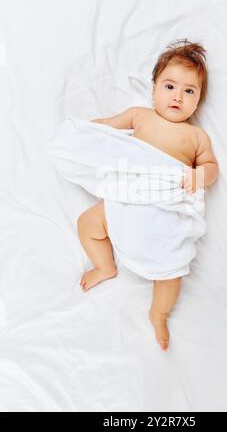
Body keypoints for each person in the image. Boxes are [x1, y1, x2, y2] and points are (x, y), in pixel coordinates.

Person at [77, 39, 219, 351]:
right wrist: (86, 131)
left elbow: (211, 168)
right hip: (128, 198)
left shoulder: (196, 136)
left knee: (172, 272)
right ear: (153, 87)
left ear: (199, 101)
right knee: (87, 223)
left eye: (189, 91)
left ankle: (159, 313)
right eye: (169, 86)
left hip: (165, 211)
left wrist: (199, 174)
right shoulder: (139, 116)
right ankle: (105, 266)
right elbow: (106, 129)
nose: (177, 96)